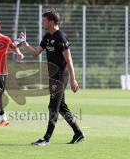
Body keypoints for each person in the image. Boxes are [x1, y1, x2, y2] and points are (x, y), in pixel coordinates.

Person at [18, 10, 85, 145]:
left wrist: (73, 79)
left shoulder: (61, 38)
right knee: (61, 107)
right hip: (53, 76)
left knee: (53, 106)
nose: (42, 23)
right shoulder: (47, 36)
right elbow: (35, 53)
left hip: (61, 76)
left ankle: (46, 139)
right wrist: (25, 44)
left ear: (52, 22)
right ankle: (78, 133)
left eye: (44, 21)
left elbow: (69, 60)